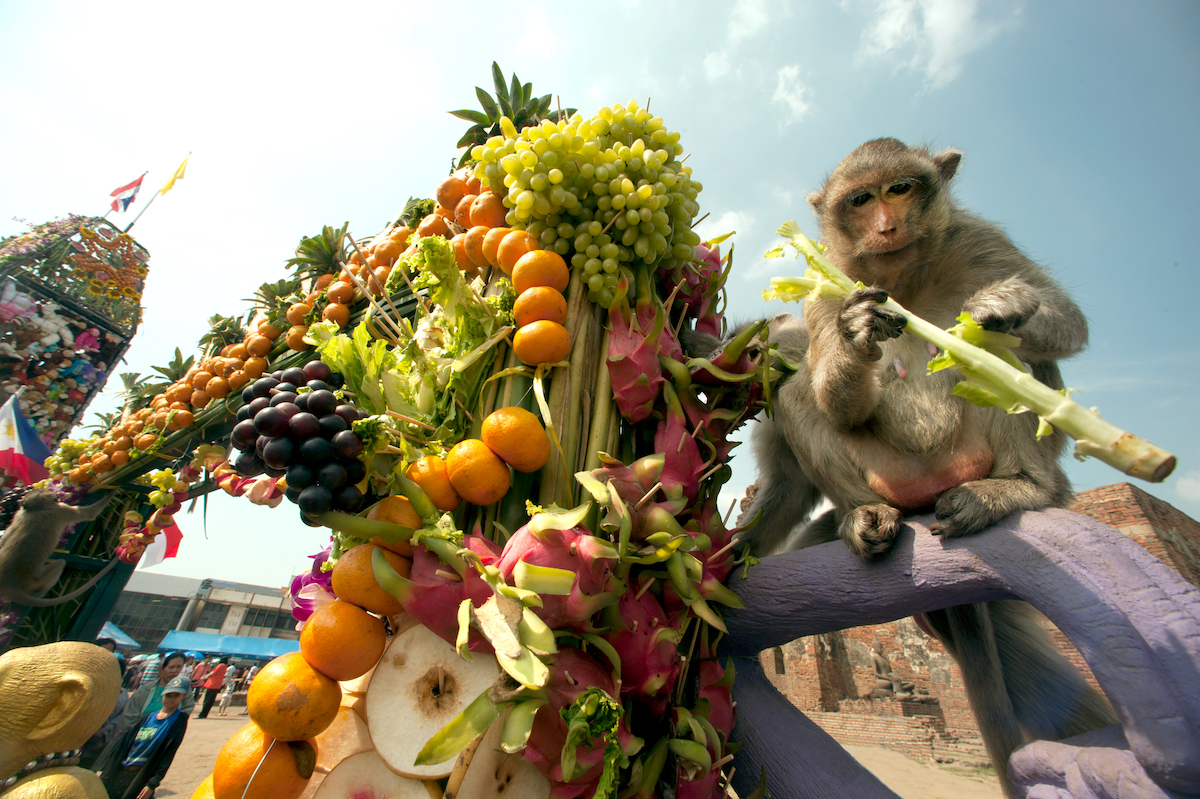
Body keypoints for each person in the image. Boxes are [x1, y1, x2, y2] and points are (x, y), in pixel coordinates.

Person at [96, 676, 190, 799]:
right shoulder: (147, 717)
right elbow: (124, 745)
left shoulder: (178, 721)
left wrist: (152, 784)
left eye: (176, 696)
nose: (170, 699)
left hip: (141, 776)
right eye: (168, 695)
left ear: (184, 695)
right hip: (122, 770)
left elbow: (168, 753)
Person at [112, 652, 194, 739]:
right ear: (162, 669)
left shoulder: (184, 691)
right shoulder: (145, 690)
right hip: (136, 736)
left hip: (164, 737)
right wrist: (136, 734)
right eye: (171, 667)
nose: (174, 671)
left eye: (179, 667)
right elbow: (130, 715)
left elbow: (186, 710)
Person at [79, 653, 130, 769]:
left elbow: (120, 718)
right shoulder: (91, 690)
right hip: (79, 742)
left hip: (101, 744)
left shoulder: (122, 695)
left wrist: (104, 732)